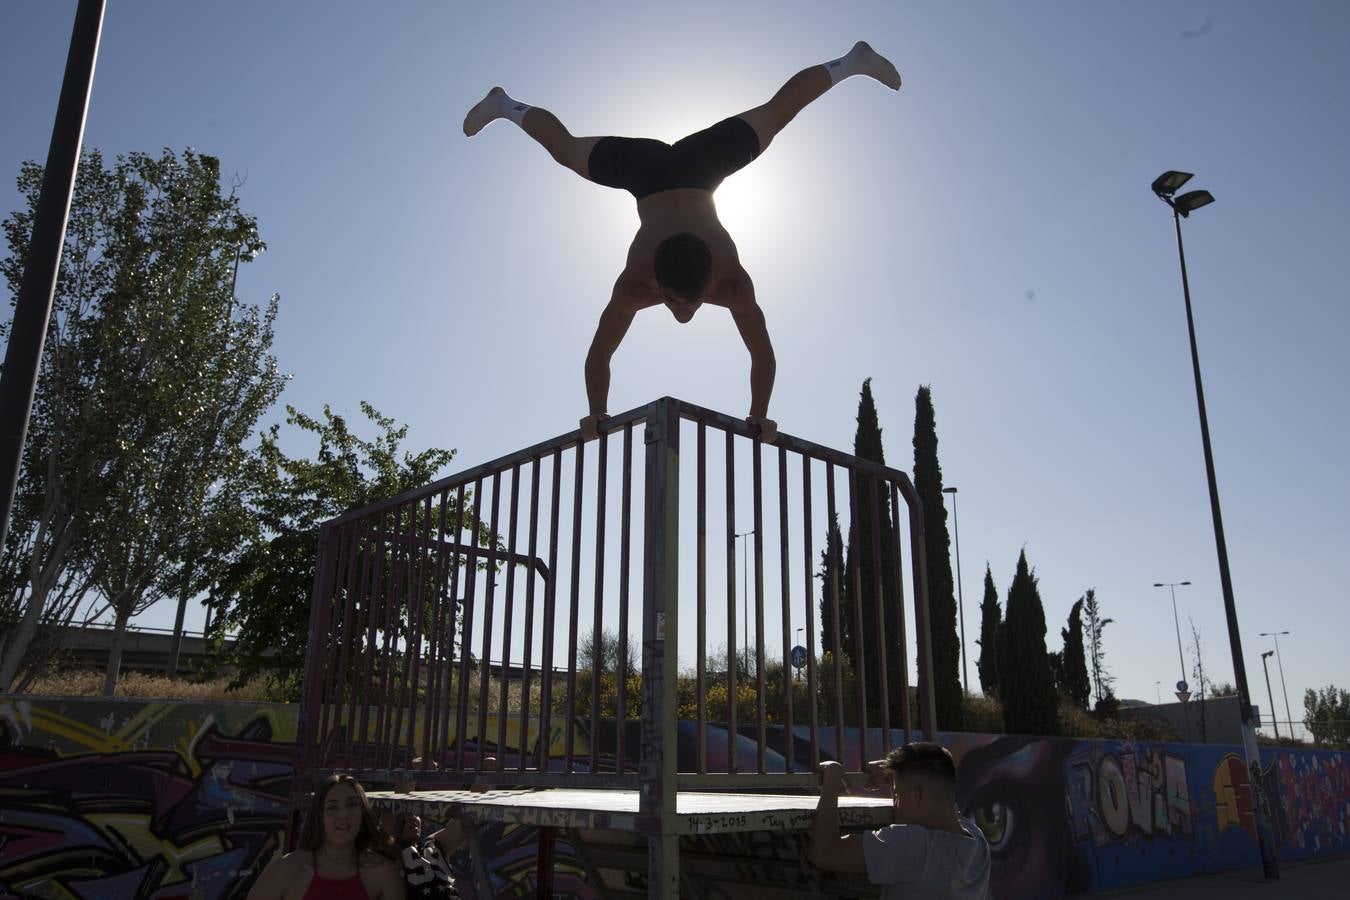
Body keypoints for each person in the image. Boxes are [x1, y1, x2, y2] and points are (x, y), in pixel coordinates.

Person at [464, 41, 902, 444]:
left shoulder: (731, 283)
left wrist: (759, 414)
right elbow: (600, 350)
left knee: (778, 112)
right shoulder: (636, 284)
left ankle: (852, 62)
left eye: (686, 303)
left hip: (662, 171)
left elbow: (761, 350)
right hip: (684, 167)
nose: (682, 311)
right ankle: (504, 104)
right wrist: (597, 412)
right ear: (656, 279)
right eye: (676, 302)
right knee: (564, 149)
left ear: (710, 277)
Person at [809, 741, 991, 899]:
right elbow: (941, 799)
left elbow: (824, 853)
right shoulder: (978, 843)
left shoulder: (914, 847)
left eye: (896, 796)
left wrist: (831, 780)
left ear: (916, 795)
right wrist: (898, 775)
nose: (895, 805)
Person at [247, 773, 405, 900]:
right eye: (332, 807)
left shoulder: (383, 872)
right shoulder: (290, 869)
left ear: (363, 813)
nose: (343, 815)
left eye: (352, 804)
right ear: (319, 816)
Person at [392, 810, 466, 899]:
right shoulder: (384, 859)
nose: (412, 817)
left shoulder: (432, 846)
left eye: (415, 812)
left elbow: (465, 819)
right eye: (401, 815)